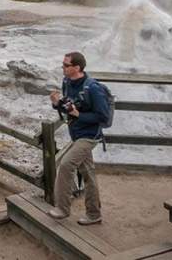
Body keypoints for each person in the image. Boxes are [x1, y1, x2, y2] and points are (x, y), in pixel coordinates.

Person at [47, 51, 109, 225]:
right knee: (88, 174)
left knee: (66, 164)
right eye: (63, 64)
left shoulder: (93, 88)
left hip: (89, 136)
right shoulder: (67, 82)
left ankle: (62, 208)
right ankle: (94, 214)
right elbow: (68, 107)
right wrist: (56, 104)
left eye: (66, 65)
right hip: (76, 133)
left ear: (77, 68)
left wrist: (78, 114)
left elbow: (102, 117)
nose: (63, 67)